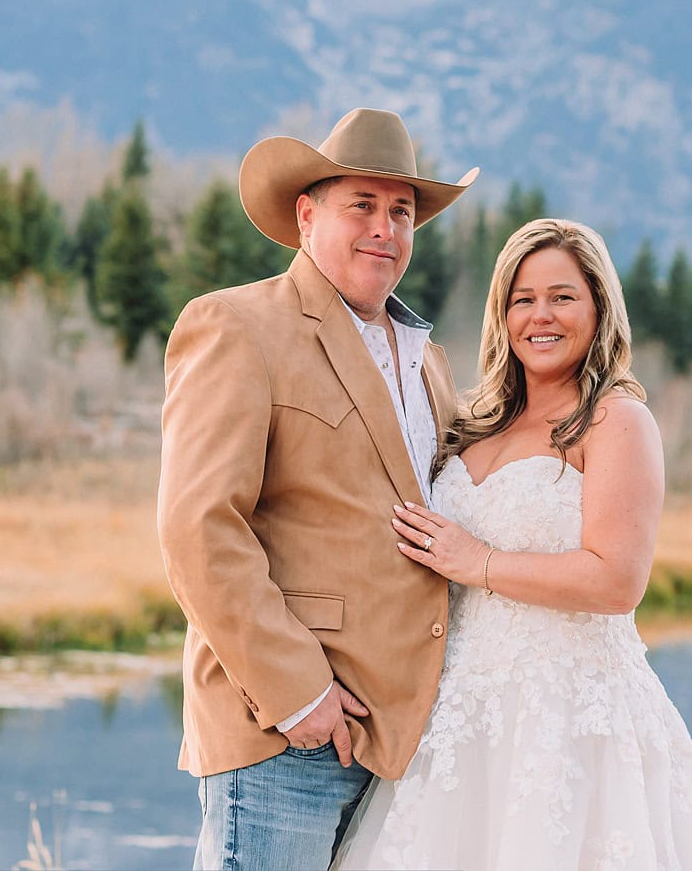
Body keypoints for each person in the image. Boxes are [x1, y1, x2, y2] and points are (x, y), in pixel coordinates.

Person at [336, 218, 692, 869]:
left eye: (562, 297)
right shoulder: (472, 425)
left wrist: (481, 562)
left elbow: (616, 581)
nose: (540, 315)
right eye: (522, 299)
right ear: (503, 316)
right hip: (457, 723)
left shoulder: (615, 421)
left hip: (568, 722)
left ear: (599, 308)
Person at [156, 107, 478, 870]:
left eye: (401, 212)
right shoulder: (237, 325)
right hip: (283, 736)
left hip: (398, 746)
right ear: (306, 216)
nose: (385, 229)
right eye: (361, 205)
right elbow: (198, 527)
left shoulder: (428, 361)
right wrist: (299, 696)